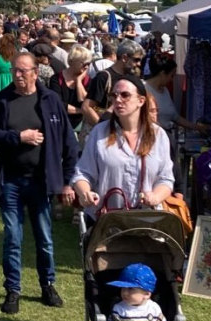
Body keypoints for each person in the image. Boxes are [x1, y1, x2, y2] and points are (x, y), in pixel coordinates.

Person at [0, 52, 79, 314]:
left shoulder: (50, 100)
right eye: (15, 71)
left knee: (44, 237)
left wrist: (68, 180)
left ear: (36, 73)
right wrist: (18, 137)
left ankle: (48, 284)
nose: (18, 75)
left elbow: (68, 141)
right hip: (11, 181)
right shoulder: (2, 101)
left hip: (41, 180)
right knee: (13, 237)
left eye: (24, 71)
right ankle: (13, 290)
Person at [72, 76, 174, 220]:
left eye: (125, 95)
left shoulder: (158, 135)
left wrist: (156, 197)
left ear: (141, 101)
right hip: (107, 222)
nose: (118, 100)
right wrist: (85, 192)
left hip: (147, 221)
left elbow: (166, 179)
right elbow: (82, 173)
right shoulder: (99, 133)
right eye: (114, 95)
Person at [82, 40, 144, 127]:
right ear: (124, 58)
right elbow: (87, 107)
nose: (139, 64)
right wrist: (103, 129)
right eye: (136, 60)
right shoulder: (104, 77)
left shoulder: (132, 77)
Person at [48, 46, 92, 130]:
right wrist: (82, 110)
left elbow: (83, 101)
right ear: (72, 62)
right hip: (61, 124)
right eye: (84, 63)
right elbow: (58, 104)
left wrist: (79, 82)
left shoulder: (88, 80)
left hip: (80, 126)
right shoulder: (56, 79)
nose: (86, 67)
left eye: (89, 64)